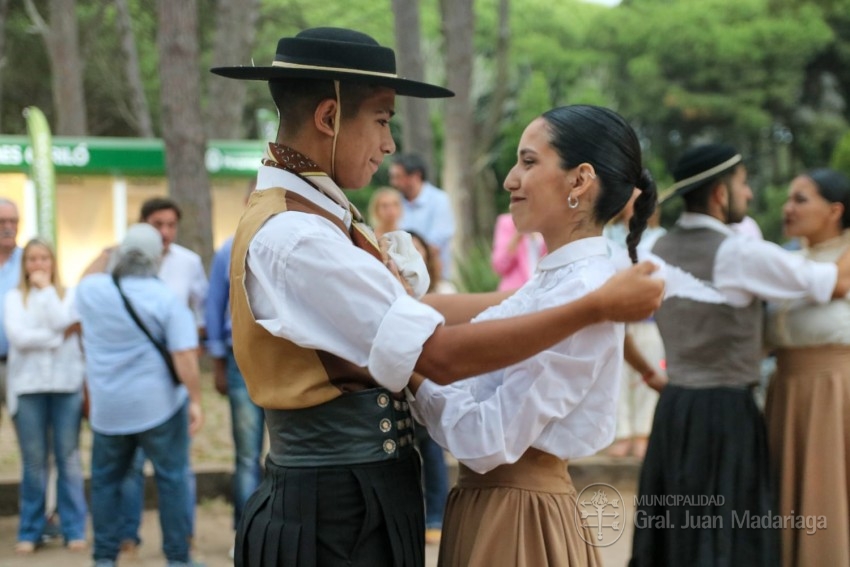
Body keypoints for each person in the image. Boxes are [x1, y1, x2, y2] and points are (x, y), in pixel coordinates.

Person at [211, 26, 664, 567]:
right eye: (382, 120)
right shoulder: (298, 235)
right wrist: (588, 306)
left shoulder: (316, 215)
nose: (390, 145)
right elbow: (434, 354)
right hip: (333, 510)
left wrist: (561, 298)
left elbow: (418, 318)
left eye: (528, 161)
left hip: (359, 502)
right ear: (329, 118)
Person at [407, 104, 657, 567]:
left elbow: (487, 440)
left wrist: (407, 372)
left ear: (579, 180)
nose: (509, 179)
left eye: (528, 161)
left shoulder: (583, 291)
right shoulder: (554, 283)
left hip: (517, 516)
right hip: (497, 504)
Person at [630, 144, 850, 567]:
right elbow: (833, 283)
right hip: (725, 411)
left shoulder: (658, 251)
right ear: (718, 194)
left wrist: (649, 374)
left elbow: (617, 325)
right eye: (744, 184)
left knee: (679, 526)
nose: (749, 196)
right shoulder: (741, 253)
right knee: (727, 531)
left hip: (675, 408)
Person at [83, 197, 208, 554]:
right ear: (156, 257)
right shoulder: (166, 299)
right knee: (171, 482)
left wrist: (110, 251)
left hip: (108, 411)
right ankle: (177, 557)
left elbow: (85, 278)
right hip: (160, 408)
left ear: (123, 253)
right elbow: (184, 357)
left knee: (106, 483)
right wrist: (196, 401)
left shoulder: (93, 291)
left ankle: (105, 557)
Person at [764, 168, 850, 567]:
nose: (788, 208)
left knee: (829, 490)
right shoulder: (786, 260)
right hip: (785, 389)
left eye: (801, 199)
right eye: (788, 198)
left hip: (837, 391)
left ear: (835, 210)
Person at [4, 237, 87, 554]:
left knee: (68, 459)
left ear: (54, 263)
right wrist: (57, 339)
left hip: (66, 385)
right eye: (32, 260)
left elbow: (64, 319)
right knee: (34, 463)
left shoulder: (69, 295)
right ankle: (30, 529)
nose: (38, 265)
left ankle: (73, 528)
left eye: (44, 259)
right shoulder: (13, 299)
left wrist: (47, 292)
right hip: (28, 387)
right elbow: (20, 338)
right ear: (24, 266)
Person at [205, 233, 264, 557]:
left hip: (283, 355)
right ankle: (246, 532)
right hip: (239, 355)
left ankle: (275, 529)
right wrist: (216, 362)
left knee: (287, 451)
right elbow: (213, 303)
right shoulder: (230, 247)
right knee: (246, 454)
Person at [604, 192, 666, 458]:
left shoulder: (660, 238)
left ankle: (643, 433)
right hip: (616, 318)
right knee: (617, 375)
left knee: (648, 373)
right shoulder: (607, 236)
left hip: (649, 320)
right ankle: (622, 433)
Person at [389, 153, 456, 280]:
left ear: (416, 176)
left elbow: (436, 244)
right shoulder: (395, 202)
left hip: (435, 279)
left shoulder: (439, 200)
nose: (393, 182)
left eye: (398, 177)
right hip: (400, 280)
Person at [0, 198, 22, 429]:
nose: (9, 227)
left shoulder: (31, 261)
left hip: (20, 364)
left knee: (31, 439)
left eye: (13, 221)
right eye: (2, 221)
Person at [490, 212, 546, 291]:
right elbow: (498, 266)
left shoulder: (547, 221)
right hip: (513, 293)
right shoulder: (506, 222)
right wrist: (519, 233)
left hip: (543, 292)